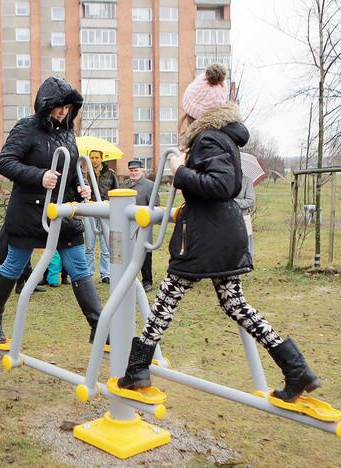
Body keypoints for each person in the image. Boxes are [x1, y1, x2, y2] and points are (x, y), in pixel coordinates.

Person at [117, 64, 322, 404]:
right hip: (223, 231)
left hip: (207, 237)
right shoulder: (224, 138)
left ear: (195, 112)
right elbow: (217, 184)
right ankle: (296, 368)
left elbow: (222, 185)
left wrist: (180, 172)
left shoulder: (209, 138)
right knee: (234, 303)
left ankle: (137, 369)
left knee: (167, 297)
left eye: (185, 111)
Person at [0, 76, 102, 346]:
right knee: (14, 264)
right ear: (46, 105)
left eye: (68, 107)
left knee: (79, 266)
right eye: (59, 106)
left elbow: (71, 171)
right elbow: (4, 162)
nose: (63, 112)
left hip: (62, 211)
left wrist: (81, 188)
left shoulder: (68, 133)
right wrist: (39, 176)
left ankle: (99, 327)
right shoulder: (26, 128)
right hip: (29, 212)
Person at [84, 156, 118, 284]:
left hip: (105, 211)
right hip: (90, 211)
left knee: (106, 245)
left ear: (101, 158)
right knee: (89, 245)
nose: (94, 160)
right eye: (91, 157)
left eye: (96, 157)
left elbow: (116, 192)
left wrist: (109, 202)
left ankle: (106, 274)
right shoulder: (86, 175)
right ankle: (88, 273)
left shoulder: (110, 174)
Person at [124, 160, 156, 292]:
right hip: (127, 225)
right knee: (128, 253)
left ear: (141, 170)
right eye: (131, 170)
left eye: (136, 170)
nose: (133, 173)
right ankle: (129, 280)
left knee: (145, 254)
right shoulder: (124, 184)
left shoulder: (150, 185)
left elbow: (156, 205)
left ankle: (147, 281)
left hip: (143, 225)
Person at [235, 174, 256, 260]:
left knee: (242, 250)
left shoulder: (246, 179)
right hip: (223, 219)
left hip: (242, 219)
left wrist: (233, 202)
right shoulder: (222, 178)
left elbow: (251, 201)